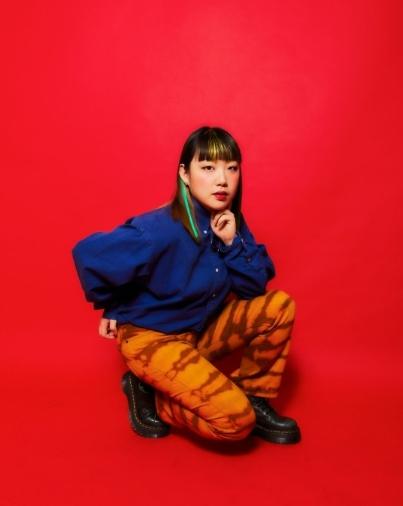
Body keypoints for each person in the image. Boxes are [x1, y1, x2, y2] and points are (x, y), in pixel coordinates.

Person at [72, 126, 301, 444]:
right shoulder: (159, 228)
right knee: (237, 422)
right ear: (184, 174)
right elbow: (89, 254)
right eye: (208, 168)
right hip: (152, 341)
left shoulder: (229, 223)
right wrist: (114, 305)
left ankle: (255, 397)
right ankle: (155, 397)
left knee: (279, 305)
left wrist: (232, 243)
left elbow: (254, 289)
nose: (222, 180)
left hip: (196, 333)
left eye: (231, 168)